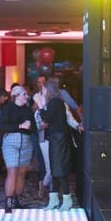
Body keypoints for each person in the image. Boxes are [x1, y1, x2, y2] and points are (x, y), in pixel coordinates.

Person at [40, 79, 84, 211]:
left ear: (48, 89)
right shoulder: (58, 102)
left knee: (60, 169)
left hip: (58, 139)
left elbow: (46, 118)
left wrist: (41, 106)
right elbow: (66, 118)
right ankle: (54, 199)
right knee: (56, 169)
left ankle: (66, 198)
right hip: (57, 138)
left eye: (43, 89)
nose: (42, 91)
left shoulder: (54, 102)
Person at [0, 85, 36, 213]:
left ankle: (17, 200)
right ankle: (8, 203)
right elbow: (3, 126)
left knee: (22, 172)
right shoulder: (8, 108)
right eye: (24, 94)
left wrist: (30, 126)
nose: (27, 97)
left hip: (26, 143)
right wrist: (20, 126)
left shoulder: (27, 110)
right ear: (16, 96)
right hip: (11, 142)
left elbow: (34, 128)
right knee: (12, 171)